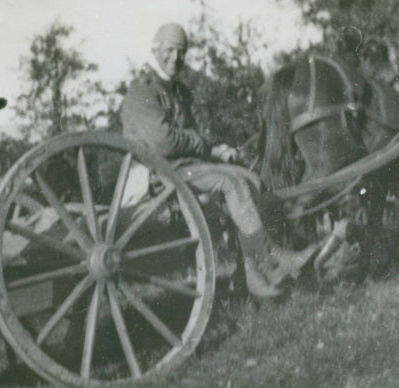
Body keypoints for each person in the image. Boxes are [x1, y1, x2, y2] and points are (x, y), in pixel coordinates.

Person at [120, 23, 317, 297]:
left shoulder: (179, 93)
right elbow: (163, 143)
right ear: (155, 49)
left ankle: (252, 275)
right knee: (230, 182)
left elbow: (190, 141)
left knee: (249, 179)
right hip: (159, 176)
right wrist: (206, 148)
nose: (176, 58)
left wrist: (218, 150)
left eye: (182, 52)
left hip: (185, 169)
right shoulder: (142, 93)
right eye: (169, 50)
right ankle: (272, 258)